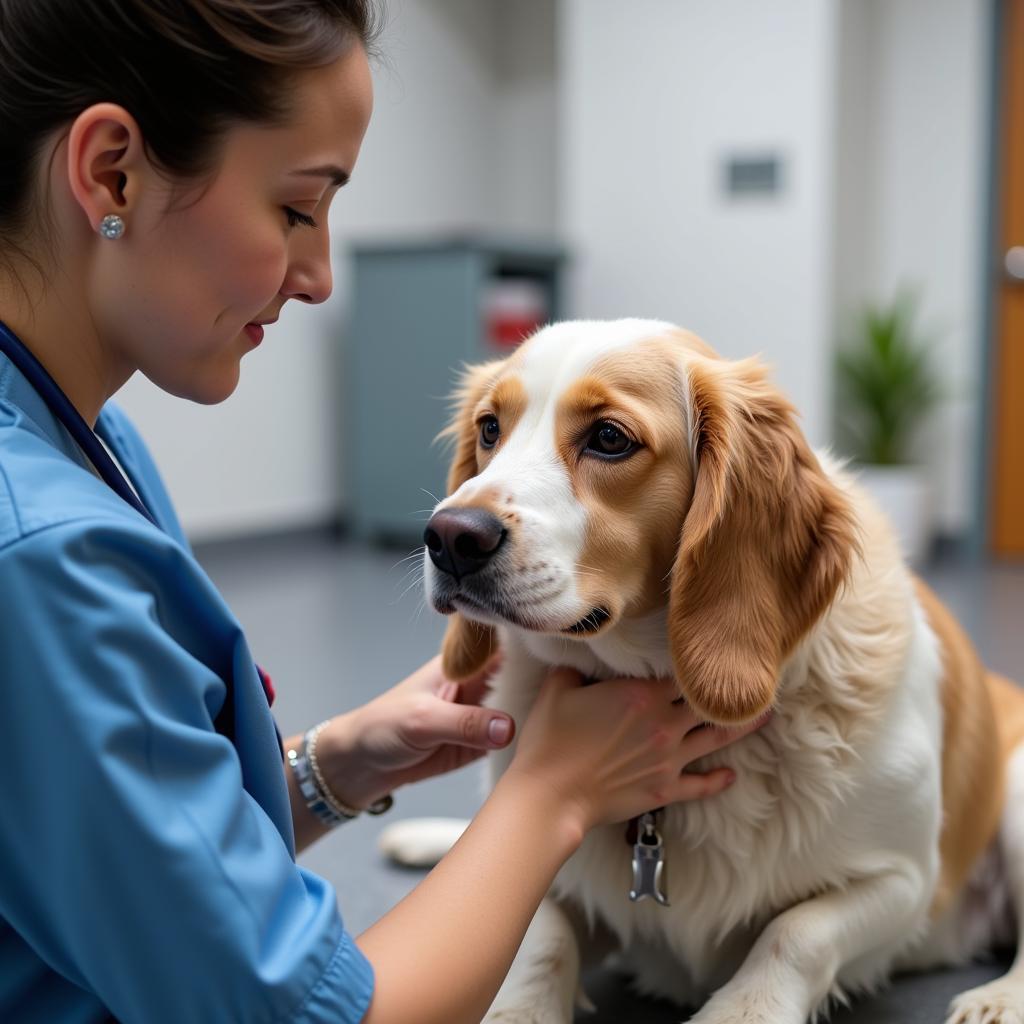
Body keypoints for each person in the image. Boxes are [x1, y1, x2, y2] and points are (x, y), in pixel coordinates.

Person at [0, 2, 767, 1021]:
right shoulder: (41, 552)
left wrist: (331, 766)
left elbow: (114, 852)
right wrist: (551, 790)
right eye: (296, 209)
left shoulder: (90, 446)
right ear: (111, 173)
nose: (319, 278)